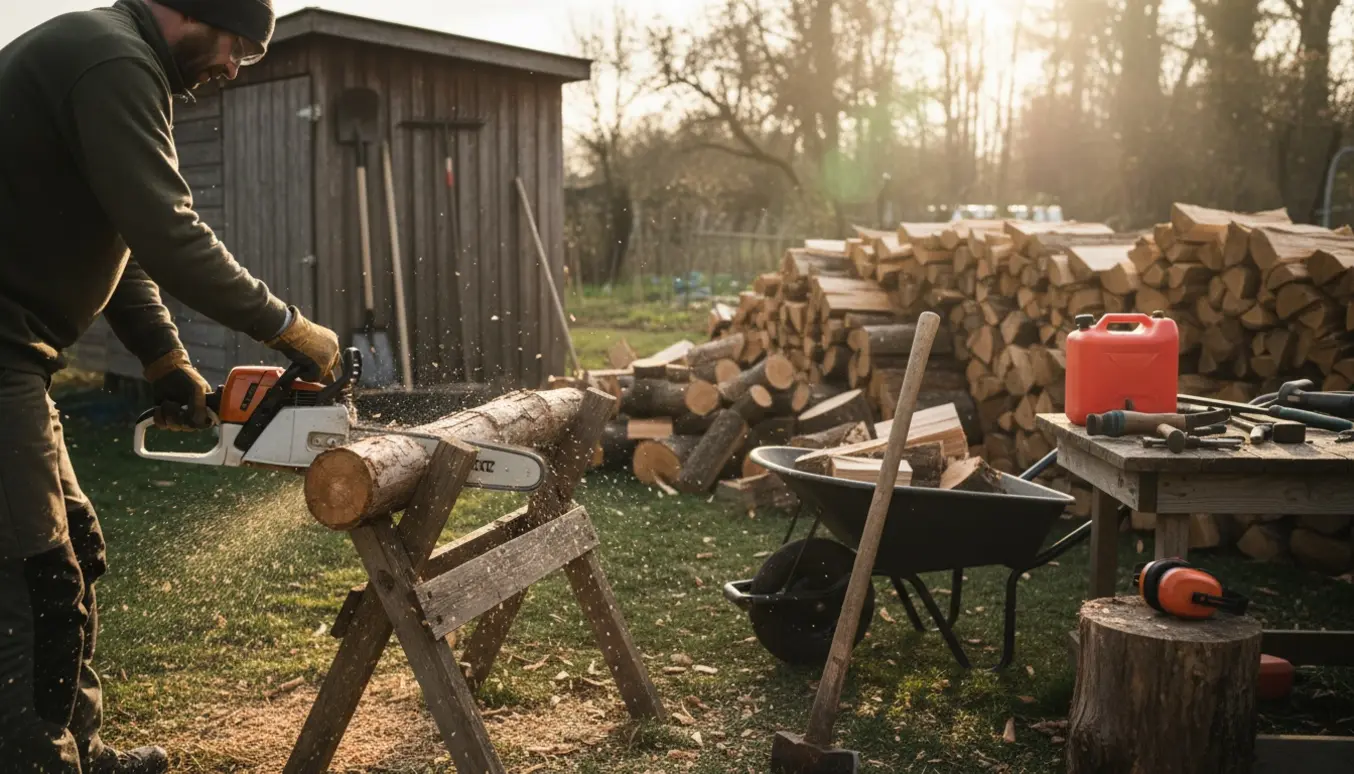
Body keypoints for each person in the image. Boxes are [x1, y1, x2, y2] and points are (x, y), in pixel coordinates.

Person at [0, 1, 341, 771]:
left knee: (72, 552)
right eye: (238, 49)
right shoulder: (112, 59)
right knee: (32, 576)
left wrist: (163, 358)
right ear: (193, 12)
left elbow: (121, 237)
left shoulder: (110, 58)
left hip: (20, 354)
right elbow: (169, 231)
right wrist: (289, 326)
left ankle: (78, 749)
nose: (232, 68)